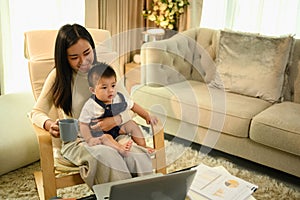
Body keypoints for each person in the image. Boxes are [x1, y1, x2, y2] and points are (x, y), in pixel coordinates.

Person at [30, 23, 153, 188]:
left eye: (87, 53)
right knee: (107, 156)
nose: (83, 61)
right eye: (74, 57)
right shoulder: (57, 77)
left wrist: (114, 121)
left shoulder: (105, 72)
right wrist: (49, 124)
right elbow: (36, 112)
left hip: (115, 134)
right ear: (64, 58)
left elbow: (127, 106)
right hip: (80, 140)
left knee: (136, 156)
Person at [79, 62, 156, 156]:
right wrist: (89, 139)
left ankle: (143, 146)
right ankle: (120, 148)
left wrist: (147, 116)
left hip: (118, 129)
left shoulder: (118, 98)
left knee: (132, 125)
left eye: (113, 85)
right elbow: (83, 124)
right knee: (106, 137)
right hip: (100, 134)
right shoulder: (91, 105)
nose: (111, 90)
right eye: (104, 87)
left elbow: (133, 106)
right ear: (93, 90)